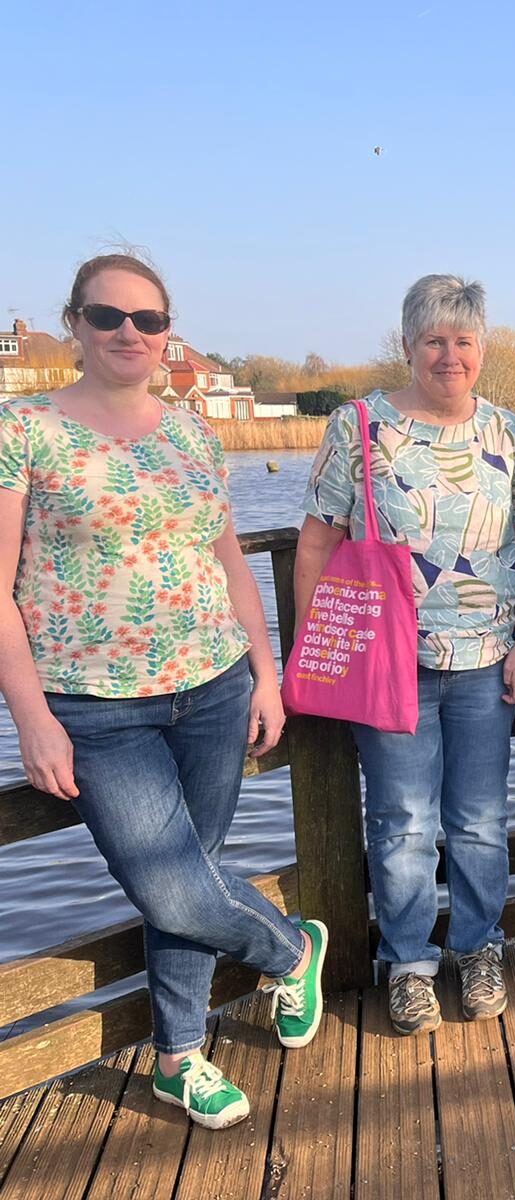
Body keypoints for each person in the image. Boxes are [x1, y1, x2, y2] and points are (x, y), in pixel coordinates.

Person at [0, 253, 326, 1129]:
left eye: (148, 320)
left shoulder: (189, 430)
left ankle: (180, 1057)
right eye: (109, 317)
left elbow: (226, 560)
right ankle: (292, 949)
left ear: (168, 331)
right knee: (171, 884)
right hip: (93, 704)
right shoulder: (22, 431)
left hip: (212, 686)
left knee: (194, 874)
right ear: (74, 323)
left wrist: (267, 672)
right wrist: (31, 716)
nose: (130, 334)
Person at [298, 274, 515, 1034]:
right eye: (434, 340)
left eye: (463, 341)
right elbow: (316, 541)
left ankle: (478, 948)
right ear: (408, 346)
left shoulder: (508, 432)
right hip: (389, 664)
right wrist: (325, 651)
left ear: (482, 348)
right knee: (402, 821)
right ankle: (408, 961)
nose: (450, 355)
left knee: (480, 819)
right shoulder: (360, 426)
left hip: (486, 657)